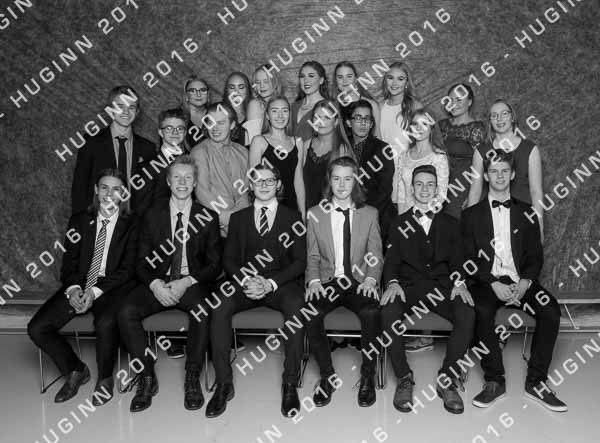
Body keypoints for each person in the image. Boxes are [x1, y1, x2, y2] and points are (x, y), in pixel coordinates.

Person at [462, 149, 566, 412]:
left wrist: (525, 282)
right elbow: (468, 258)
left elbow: (535, 255)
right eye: (493, 171)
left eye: (504, 171)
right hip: (487, 281)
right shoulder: (471, 215)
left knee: (551, 310)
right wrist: (492, 283)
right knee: (481, 310)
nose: (499, 176)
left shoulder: (528, 212)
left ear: (512, 174)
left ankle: (537, 382)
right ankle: (494, 380)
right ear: (486, 175)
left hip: (521, 280)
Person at [118, 155, 222, 413]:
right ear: (168, 181)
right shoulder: (151, 215)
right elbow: (140, 262)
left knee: (202, 310)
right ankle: (147, 377)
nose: (182, 182)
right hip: (159, 280)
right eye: (177, 177)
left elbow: (214, 266)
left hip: (190, 281)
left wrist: (186, 282)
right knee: (126, 311)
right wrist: (155, 285)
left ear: (195, 182)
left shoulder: (208, 216)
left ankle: (192, 376)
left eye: (188, 177)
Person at [28, 169, 138, 406]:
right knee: (37, 328)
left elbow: (129, 270)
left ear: (123, 194)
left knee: (105, 323)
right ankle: (76, 370)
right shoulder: (79, 220)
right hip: (80, 283)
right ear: (96, 190)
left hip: (111, 287)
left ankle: (105, 378)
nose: (109, 194)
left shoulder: (133, 224)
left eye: (116, 189)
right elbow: (69, 264)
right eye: (104, 188)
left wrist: (93, 292)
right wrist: (74, 290)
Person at [206, 163, 307, 418]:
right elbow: (229, 260)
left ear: (278, 184)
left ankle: (290, 383)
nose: (264, 185)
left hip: (279, 284)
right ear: (250, 185)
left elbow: (300, 262)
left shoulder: (293, 217)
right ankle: (223, 383)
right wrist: (246, 280)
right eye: (258, 181)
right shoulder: (238, 218)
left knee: (297, 306)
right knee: (219, 305)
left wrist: (270, 284)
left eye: (269, 180)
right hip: (246, 283)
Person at [380, 164, 475, 414]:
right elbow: (391, 261)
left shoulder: (451, 223)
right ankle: (404, 377)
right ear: (411, 189)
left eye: (430, 184)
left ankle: (447, 378)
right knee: (388, 312)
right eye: (419, 184)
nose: (424, 189)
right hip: (408, 288)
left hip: (442, 288)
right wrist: (392, 283)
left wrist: (459, 283)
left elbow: (458, 261)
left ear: (437, 189)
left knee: (467, 311)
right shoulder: (398, 223)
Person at [305, 156, 383, 408]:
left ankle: (367, 376)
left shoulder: (369, 214)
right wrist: (313, 281)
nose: (341, 185)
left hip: (358, 281)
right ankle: (327, 377)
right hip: (329, 281)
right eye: (336, 178)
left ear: (355, 181)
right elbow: (313, 256)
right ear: (329, 181)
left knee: (371, 312)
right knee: (311, 312)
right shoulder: (315, 214)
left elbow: (375, 254)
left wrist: (370, 280)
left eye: (347, 179)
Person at [467, 99, 545, 240]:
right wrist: (468, 227)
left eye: (504, 113)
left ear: (512, 117)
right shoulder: (481, 151)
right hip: (489, 218)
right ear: (490, 121)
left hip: (522, 217)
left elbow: (536, 191)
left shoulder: (530, 149)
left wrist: (539, 225)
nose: (499, 119)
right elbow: (475, 191)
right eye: (494, 115)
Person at [71, 85, 155, 216]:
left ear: (137, 112)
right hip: (98, 218)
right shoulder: (91, 143)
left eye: (131, 107)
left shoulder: (148, 148)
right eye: (120, 106)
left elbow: (150, 192)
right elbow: (79, 187)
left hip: (134, 221)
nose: (126, 112)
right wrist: (81, 222)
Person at [191, 102, 250, 237]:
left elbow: (245, 192)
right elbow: (202, 192)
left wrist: (237, 219)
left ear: (232, 125)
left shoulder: (243, 152)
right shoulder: (199, 152)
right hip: (211, 226)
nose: (215, 128)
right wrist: (224, 217)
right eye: (210, 122)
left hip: (241, 225)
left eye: (221, 123)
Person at [248, 96, 306, 216]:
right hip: (266, 207)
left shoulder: (298, 142)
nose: (280, 116)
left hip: (291, 206)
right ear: (267, 116)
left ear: (289, 115)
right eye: (274, 111)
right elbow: (255, 181)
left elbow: (298, 181)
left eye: (284, 111)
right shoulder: (259, 141)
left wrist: (303, 213)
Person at [345, 99, 395, 238]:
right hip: (345, 215)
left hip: (376, 218)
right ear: (348, 122)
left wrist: (363, 213)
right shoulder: (342, 146)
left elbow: (384, 190)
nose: (363, 123)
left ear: (372, 124)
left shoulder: (382, 149)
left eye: (367, 119)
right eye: (358, 118)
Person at [378, 62, 423, 210]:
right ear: (385, 80)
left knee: (406, 212)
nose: (394, 83)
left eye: (400, 79)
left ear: (407, 83)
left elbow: (422, 141)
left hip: (407, 166)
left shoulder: (415, 107)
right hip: (383, 166)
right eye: (390, 78)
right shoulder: (379, 106)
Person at [438, 83, 485, 219]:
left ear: (469, 102)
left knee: (456, 225)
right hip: (439, 186)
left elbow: (482, 167)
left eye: (459, 100)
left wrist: (474, 197)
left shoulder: (476, 129)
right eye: (450, 100)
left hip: (462, 188)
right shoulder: (441, 125)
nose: (453, 104)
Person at [396, 109, 449, 215]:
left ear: (431, 127)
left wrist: (424, 217)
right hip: (407, 214)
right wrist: (401, 218)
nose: (419, 128)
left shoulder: (439, 157)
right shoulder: (403, 156)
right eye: (415, 124)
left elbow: (441, 195)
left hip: (429, 216)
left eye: (424, 124)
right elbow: (401, 193)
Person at [303, 99, 353, 210]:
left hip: (331, 212)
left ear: (335, 122)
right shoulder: (305, 145)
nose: (320, 122)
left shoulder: (342, 150)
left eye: (326, 118)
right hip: (307, 210)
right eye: (317, 117)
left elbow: (345, 188)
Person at [331, 61, 380, 137]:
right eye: (340, 77)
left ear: (356, 79)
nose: (344, 81)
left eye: (349, 76)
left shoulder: (372, 105)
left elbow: (377, 135)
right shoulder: (333, 107)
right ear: (336, 80)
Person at [291, 61, 329, 143]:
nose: (306, 80)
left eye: (311, 76)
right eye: (302, 76)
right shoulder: (294, 106)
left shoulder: (328, 107)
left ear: (321, 80)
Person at [245, 65, 284, 143]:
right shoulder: (255, 105)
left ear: (275, 82)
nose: (261, 86)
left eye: (266, 81)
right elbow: (253, 141)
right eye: (258, 82)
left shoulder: (282, 103)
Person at [223, 71, 251, 146]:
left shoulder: (254, 113)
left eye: (241, 87)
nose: (236, 92)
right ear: (227, 90)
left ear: (247, 90)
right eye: (232, 87)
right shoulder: (219, 112)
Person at [182, 75, 210, 148]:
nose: (198, 94)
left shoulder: (216, 114)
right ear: (186, 96)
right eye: (192, 91)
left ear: (208, 95)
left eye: (203, 90)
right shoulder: (178, 120)